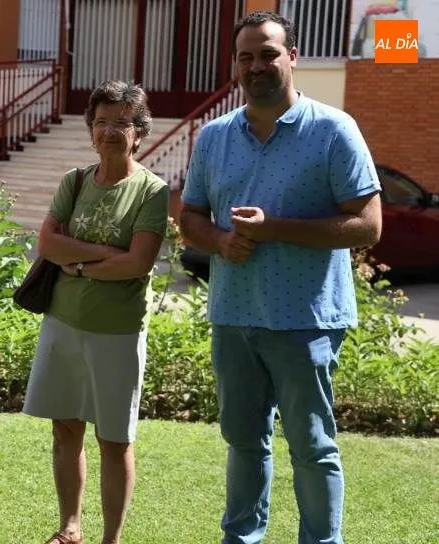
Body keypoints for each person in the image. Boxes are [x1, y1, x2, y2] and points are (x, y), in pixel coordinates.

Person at [179, 11, 381, 544]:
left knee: (312, 445)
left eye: (268, 53)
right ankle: (242, 538)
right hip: (234, 314)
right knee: (244, 440)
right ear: (235, 67)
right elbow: (190, 219)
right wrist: (220, 240)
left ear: (292, 57)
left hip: (305, 319)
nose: (256, 65)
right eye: (246, 56)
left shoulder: (333, 129)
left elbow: (367, 225)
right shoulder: (214, 137)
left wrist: (275, 229)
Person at [21, 81, 169, 544]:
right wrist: (106, 253)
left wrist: (79, 263)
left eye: (122, 122)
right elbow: (46, 243)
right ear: (90, 130)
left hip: (117, 334)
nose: (109, 131)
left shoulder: (152, 191)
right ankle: (69, 527)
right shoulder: (75, 180)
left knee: (114, 440)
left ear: (139, 132)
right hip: (62, 324)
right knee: (65, 429)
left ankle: (111, 539)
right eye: (102, 121)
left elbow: (138, 263)